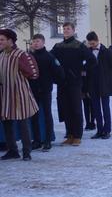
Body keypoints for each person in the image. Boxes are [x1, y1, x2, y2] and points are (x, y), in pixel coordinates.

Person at [51, 22, 96, 146]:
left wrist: (82, 70)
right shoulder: (58, 46)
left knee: (76, 109)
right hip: (62, 82)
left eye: (68, 29)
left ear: (73, 30)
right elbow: (50, 60)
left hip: (75, 82)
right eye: (64, 29)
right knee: (65, 109)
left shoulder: (79, 46)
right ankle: (69, 134)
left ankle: (77, 136)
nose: (66, 31)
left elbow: (92, 60)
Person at [0, 29, 39, 161]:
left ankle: (27, 151)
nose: (0, 42)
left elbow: (33, 73)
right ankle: (12, 150)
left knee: (23, 123)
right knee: (7, 123)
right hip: (5, 94)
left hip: (19, 93)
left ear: (10, 41)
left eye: (2, 40)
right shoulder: (1, 55)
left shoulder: (20, 55)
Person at [28, 34, 64, 151]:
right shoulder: (29, 57)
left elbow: (58, 72)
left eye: (38, 41)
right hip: (32, 90)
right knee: (34, 116)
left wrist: (55, 81)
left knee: (47, 115)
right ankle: (37, 140)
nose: (35, 43)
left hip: (45, 90)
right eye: (34, 41)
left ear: (43, 42)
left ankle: (47, 140)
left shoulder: (49, 56)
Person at [85, 31, 112, 139]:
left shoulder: (107, 51)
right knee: (96, 109)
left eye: (93, 43)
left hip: (104, 84)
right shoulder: (88, 52)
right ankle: (99, 130)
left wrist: (108, 79)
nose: (91, 45)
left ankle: (107, 130)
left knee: (105, 108)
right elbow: (86, 69)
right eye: (90, 44)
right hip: (92, 85)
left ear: (97, 41)